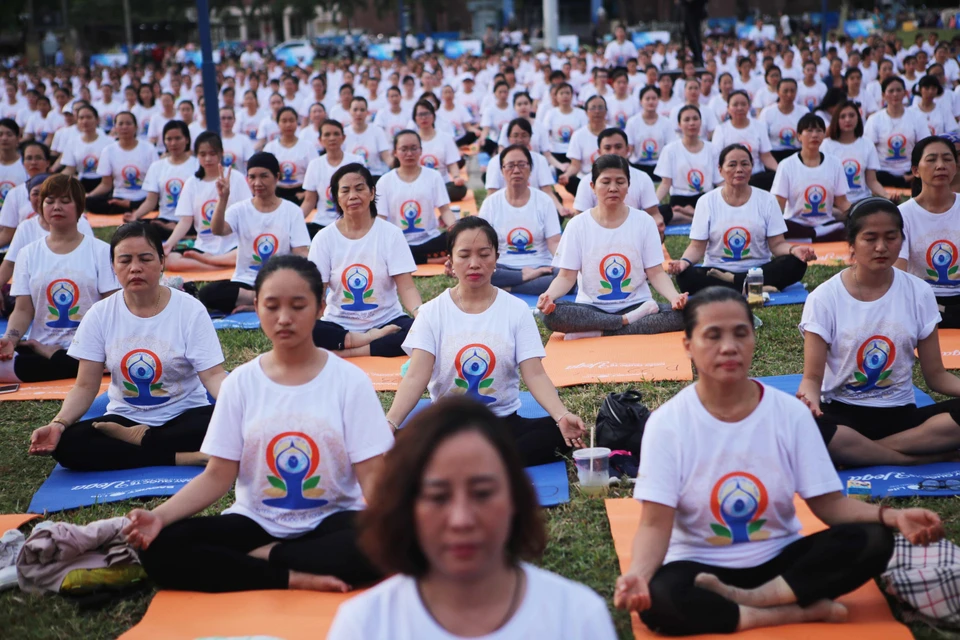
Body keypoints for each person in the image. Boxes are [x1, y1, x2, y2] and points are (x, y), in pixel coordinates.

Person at [614, 286, 944, 636]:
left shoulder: (789, 414)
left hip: (781, 563)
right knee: (661, 599)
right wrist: (639, 576)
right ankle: (790, 613)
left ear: (753, 338)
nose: (729, 346)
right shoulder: (668, 424)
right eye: (713, 336)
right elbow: (653, 524)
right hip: (701, 568)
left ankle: (748, 601)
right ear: (688, 346)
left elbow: (829, 504)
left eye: (740, 333)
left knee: (873, 539)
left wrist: (893, 516)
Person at [124, 255, 391, 593]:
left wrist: (395, 529)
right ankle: (290, 574)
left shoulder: (350, 382)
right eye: (272, 306)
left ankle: (264, 558)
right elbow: (218, 475)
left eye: (298, 306)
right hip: (256, 521)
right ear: (257, 307)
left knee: (383, 543)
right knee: (161, 546)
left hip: (333, 520)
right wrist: (159, 517)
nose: (284, 319)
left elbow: (372, 477)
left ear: (321, 307)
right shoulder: (241, 383)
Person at [327, 396, 618, 640]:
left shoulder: (576, 619)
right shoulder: (365, 627)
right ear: (407, 506)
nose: (461, 520)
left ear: (515, 499)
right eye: (438, 497)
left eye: (482, 493)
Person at [385, 216, 586, 466]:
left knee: (553, 433)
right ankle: (487, 462)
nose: (474, 264)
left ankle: (457, 463)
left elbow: (534, 374)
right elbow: (415, 377)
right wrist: (390, 423)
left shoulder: (516, 309)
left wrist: (561, 414)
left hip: (501, 425)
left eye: (483, 254)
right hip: (449, 425)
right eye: (464, 255)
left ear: (496, 258)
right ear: (450, 261)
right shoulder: (431, 312)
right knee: (400, 444)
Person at [27, 222, 227, 471]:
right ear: (113, 266)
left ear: (162, 262)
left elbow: (213, 375)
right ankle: (183, 457)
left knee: (225, 425)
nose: (135, 268)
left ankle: (145, 441)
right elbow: (85, 385)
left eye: (145, 259)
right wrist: (59, 423)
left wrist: (238, 407)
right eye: (125, 261)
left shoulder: (190, 309)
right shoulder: (100, 314)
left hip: (185, 416)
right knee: (68, 443)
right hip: (125, 419)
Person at [799, 198, 960, 465]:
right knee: (808, 428)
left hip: (901, 418)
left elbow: (937, 376)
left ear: (902, 239)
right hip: (843, 417)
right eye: (870, 238)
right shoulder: (824, 298)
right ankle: (911, 459)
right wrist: (810, 404)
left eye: (891, 237)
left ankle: (863, 452)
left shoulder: (919, 292)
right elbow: (812, 378)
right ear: (851, 244)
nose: (881, 247)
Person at [538, 155, 688, 338]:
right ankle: (624, 323)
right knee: (550, 315)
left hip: (637, 304)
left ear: (628, 186)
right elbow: (566, 277)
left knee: (686, 314)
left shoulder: (644, 222)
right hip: (591, 309)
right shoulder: (577, 225)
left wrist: (674, 297)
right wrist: (549, 296)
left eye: (620, 182)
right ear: (593, 187)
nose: (613, 188)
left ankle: (600, 331)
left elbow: (656, 272)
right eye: (605, 182)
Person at [0, 175, 117, 383]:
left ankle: (56, 358)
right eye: (50, 201)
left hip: (91, 349)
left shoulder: (100, 251)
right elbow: (23, 309)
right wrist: (10, 339)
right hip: (39, 346)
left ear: (79, 207)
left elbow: (113, 307)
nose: (56, 207)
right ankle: (57, 359)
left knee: (114, 361)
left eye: (65, 201)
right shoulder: (28, 253)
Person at [668, 144, 815, 295]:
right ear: (720, 170)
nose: (739, 169)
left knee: (796, 263)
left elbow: (777, 244)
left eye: (745, 164)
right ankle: (750, 287)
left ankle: (734, 283)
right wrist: (683, 262)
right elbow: (696, 247)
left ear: (752, 168)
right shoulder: (706, 201)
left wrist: (794, 250)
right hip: (717, 270)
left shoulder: (767, 200)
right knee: (685, 277)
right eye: (732, 165)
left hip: (758, 270)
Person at [309, 163, 422, 357]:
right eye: (345, 190)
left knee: (418, 332)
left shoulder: (391, 234)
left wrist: (420, 315)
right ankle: (369, 340)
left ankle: (349, 352)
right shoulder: (324, 238)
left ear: (372, 192)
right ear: (336, 196)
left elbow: (407, 287)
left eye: (359, 188)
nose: (353, 195)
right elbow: (318, 290)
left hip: (387, 320)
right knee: (307, 331)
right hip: (340, 324)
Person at [199, 152, 311, 314]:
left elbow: (300, 252)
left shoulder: (292, 211)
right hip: (246, 282)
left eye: (264, 176)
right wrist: (223, 198)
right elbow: (218, 230)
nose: (257, 183)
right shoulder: (239, 209)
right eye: (252, 177)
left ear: (276, 177)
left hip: (279, 280)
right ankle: (265, 300)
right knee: (208, 293)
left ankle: (262, 301)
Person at [479, 145, 562, 295]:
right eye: (510, 166)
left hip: (541, 267)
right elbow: (481, 243)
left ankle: (509, 288)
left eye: (522, 165)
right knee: (481, 269)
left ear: (530, 169)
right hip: (503, 267)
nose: (516, 170)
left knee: (564, 276)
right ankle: (523, 278)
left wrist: (565, 266)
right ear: (502, 170)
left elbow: (554, 241)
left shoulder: (544, 201)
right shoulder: (491, 203)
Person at [162, 132, 250, 273]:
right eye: (203, 154)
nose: (208, 159)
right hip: (204, 247)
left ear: (221, 154)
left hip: (232, 245)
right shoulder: (192, 183)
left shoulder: (236, 177)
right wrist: (169, 244)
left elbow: (247, 213)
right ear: (197, 156)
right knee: (169, 260)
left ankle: (210, 262)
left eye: (212, 153)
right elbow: (185, 221)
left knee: (247, 253)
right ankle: (218, 265)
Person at [896, 136, 960, 327]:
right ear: (915, 170)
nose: (940, 165)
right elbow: (899, 274)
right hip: (922, 305)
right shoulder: (903, 215)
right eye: (932, 159)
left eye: (947, 159)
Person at [375, 130, 456, 265]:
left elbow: (445, 210)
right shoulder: (385, 181)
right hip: (398, 242)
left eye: (414, 148)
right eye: (404, 149)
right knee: (384, 249)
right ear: (395, 152)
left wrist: (454, 228)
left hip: (429, 240)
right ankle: (428, 259)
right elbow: (380, 218)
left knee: (453, 239)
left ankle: (415, 259)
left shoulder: (433, 176)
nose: (409, 154)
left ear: (420, 150)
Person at [772, 114, 852, 242]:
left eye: (819, 131)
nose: (814, 135)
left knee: (847, 227)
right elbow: (779, 204)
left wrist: (859, 214)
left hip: (825, 223)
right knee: (781, 226)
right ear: (799, 136)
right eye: (809, 131)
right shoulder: (786, 165)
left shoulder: (835, 163)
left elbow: (842, 202)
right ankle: (815, 235)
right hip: (795, 224)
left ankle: (810, 236)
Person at [573, 131, 663, 236]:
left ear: (628, 149)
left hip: (633, 232)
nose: (613, 152)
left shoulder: (643, 178)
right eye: (607, 148)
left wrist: (657, 224)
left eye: (618, 147)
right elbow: (579, 218)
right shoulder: (586, 181)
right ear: (599, 152)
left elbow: (653, 213)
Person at [124, 120, 199, 241]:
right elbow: (150, 201)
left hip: (190, 220)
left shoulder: (197, 165)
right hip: (164, 219)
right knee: (137, 228)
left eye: (178, 138)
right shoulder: (157, 166)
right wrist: (135, 216)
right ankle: (176, 232)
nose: (173, 143)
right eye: (169, 139)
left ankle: (178, 231)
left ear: (187, 140)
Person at [654, 105, 723, 225]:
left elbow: (720, 182)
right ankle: (692, 217)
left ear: (701, 122)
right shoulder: (670, 150)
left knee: (722, 212)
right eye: (686, 120)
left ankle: (689, 214)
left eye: (695, 119)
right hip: (679, 200)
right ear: (679, 125)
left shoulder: (712, 149)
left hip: (705, 198)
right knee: (662, 212)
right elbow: (665, 183)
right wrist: (652, 205)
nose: (692, 123)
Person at [301, 119, 366, 236]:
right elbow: (309, 201)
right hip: (322, 223)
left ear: (343, 137)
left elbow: (363, 195)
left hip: (351, 221)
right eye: (327, 134)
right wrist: (294, 222)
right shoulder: (315, 164)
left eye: (336, 134)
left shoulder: (356, 161)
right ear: (320, 140)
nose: (332, 138)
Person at [85, 112, 157, 215]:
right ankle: (130, 207)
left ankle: (132, 205)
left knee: (157, 201)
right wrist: (89, 195)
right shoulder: (108, 150)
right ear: (115, 128)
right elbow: (106, 184)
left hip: (144, 197)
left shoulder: (149, 149)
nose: (124, 127)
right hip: (119, 198)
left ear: (136, 127)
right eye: (121, 124)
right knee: (91, 202)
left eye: (128, 123)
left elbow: (155, 182)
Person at [864, 77, 930, 189]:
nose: (895, 94)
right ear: (884, 95)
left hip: (911, 170)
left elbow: (925, 146)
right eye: (891, 91)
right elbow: (868, 150)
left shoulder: (917, 117)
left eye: (899, 90)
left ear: (905, 93)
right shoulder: (874, 119)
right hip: (883, 173)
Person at [821, 101, 888, 205]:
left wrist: (886, 196)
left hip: (862, 201)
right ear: (836, 120)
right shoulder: (826, 146)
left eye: (852, 115)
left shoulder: (867, 144)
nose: (848, 119)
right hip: (835, 203)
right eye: (842, 116)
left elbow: (872, 181)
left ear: (858, 117)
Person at [712, 91, 778, 190]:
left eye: (743, 104)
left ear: (749, 107)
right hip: (731, 178)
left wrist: (780, 170)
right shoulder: (721, 129)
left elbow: (766, 156)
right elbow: (716, 158)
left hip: (756, 177)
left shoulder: (759, 126)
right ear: (728, 108)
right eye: (735, 104)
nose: (739, 108)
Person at [413, 100, 467, 202]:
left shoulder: (445, 138)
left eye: (427, 114)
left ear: (433, 116)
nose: (424, 118)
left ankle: (431, 197)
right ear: (415, 118)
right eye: (420, 114)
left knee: (460, 189)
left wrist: (456, 177)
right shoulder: (412, 139)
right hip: (418, 184)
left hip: (443, 184)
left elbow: (452, 163)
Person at [0, 141, 51, 249]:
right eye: (29, 158)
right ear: (23, 163)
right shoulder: (14, 193)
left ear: (47, 162)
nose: (33, 162)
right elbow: (8, 232)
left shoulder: (62, 189)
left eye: (38, 158)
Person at [263, 107, 316, 204]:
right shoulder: (270, 147)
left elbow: (315, 173)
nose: (288, 124)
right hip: (276, 193)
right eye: (284, 121)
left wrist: (306, 193)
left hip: (301, 193)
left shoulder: (308, 146)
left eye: (291, 120)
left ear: (297, 122)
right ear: (278, 123)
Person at [559, 95, 608, 197]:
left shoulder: (613, 133)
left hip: (610, 178)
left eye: (600, 107)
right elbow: (575, 165)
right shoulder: (578, 135)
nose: (597, 111)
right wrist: (567, 175)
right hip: (586, 178)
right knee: (571, 181)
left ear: (606, 111)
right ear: (586, 112)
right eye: (593, 108)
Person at [626, 87, 676, 181]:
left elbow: (671, 147)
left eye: (654, 98)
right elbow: (629, 148)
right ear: (641, 101)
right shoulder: (632, 122)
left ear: (658, 100)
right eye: (647, 99)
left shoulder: (666, 122)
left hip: (660, 167)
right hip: (637, 166)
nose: (651, 102)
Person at [59, 105, 111, 193]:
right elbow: (70, 169)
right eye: (81, 118)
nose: (85, 121)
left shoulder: (109, 142)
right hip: (82, 182)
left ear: (97, 120)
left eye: (89, 117)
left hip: (104, 182)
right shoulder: (72, 143)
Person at [759, 79, 803, 162]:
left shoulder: (804, 111)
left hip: (797, 153)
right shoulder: (767, 112)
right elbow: (763, 138)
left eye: (792, 91)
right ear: (778, 92)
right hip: (774, 154)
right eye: (785, 91)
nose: (789, 94)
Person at [220, 107, 257, 174]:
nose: (226, 121)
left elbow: (250, 164)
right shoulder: (214, 140)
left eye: (229, 118)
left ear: (234, 120)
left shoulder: (244, 139)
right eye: (223, 118)